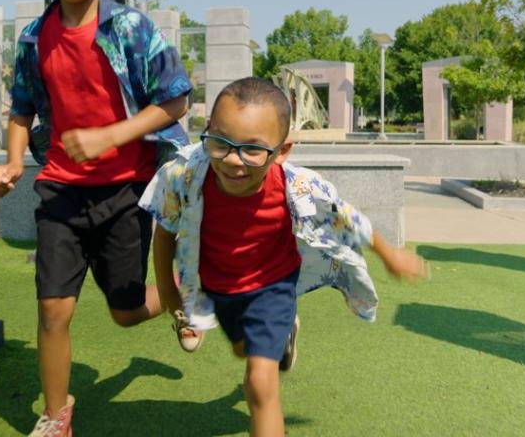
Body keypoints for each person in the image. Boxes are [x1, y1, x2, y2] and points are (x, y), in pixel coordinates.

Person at [0, 0, 192, 437]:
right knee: (53, 312)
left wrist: (109, 136)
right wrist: (14, 160)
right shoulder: (35, 37)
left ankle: (181, 291)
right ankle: (56, 415)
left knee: (125, 312)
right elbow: (21, 106)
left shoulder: (130, 28)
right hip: (59, 192)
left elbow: (175, 101)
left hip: (126, 192)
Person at [140, 77, 428, 437]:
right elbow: (165, 229)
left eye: (252, 149)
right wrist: (167, 289)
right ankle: (286, 334)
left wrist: (389, 255)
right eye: (221, 143)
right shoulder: (186, 174)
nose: (233, 160)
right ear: (208, 131)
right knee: (244, 350)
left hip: (273, 286)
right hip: (220, 286)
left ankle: (279, 334)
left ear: (283, 150)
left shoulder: (297, 188)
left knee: (260, 384)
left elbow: (348, 217)